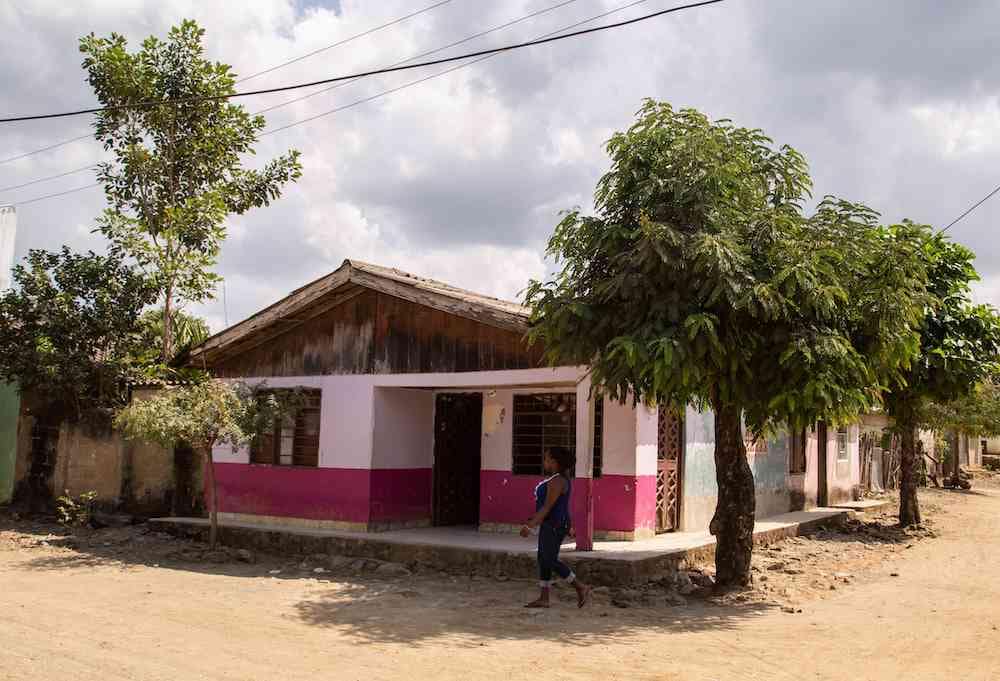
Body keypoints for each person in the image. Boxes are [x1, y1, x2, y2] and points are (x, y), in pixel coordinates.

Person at [520, 446, 591, 608]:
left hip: (554, 524)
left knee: (549, 559)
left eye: (546, 459)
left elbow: (547, 507)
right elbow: (563, 506)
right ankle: (544, 597)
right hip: (552, 523)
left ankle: (580, 586)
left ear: (554, 462)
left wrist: (530, 526)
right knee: (543, 559)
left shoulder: (557, 481)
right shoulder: (558, 479)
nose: (544, 462)